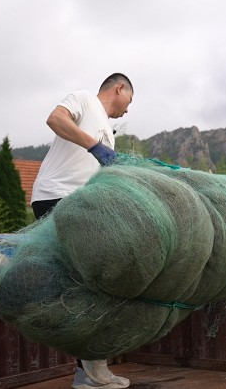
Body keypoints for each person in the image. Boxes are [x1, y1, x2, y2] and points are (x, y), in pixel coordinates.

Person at [31, 73, 133, 389]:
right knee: (90, 280)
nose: (128, 110)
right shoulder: (84, 99)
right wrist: (93, 145)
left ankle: (90, 370)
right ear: (120, 89)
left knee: (92, 281)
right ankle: (89, 373)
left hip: (80, 204)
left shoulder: (109, 132)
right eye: (130, 100)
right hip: (56, 197)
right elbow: (55, 118)